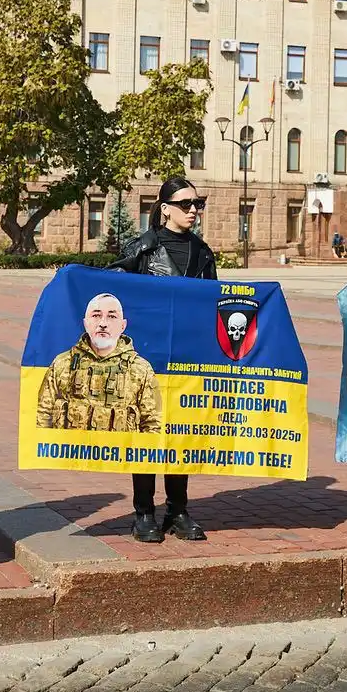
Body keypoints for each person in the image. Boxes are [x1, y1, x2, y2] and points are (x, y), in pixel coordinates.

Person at [109, 176, 217, 542]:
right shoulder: (143, 247)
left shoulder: (203, 252)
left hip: (188, 356)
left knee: (181, 433)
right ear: (165, 207)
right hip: (147, 358)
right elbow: (115, 293)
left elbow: (214, 302)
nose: (192, 210)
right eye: (185, 204)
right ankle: (143, 512)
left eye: (197, 204)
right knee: (147, 434)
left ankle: (178, 509)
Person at [37, 293, 161, 432]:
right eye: (96, 315)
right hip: (72, 452)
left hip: (119, 453)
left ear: (123, 325)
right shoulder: (62, 364)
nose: (103, 323)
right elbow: (42, 418)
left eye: (112, 316)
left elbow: (153, 427)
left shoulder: (141, 370)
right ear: (85, 323)